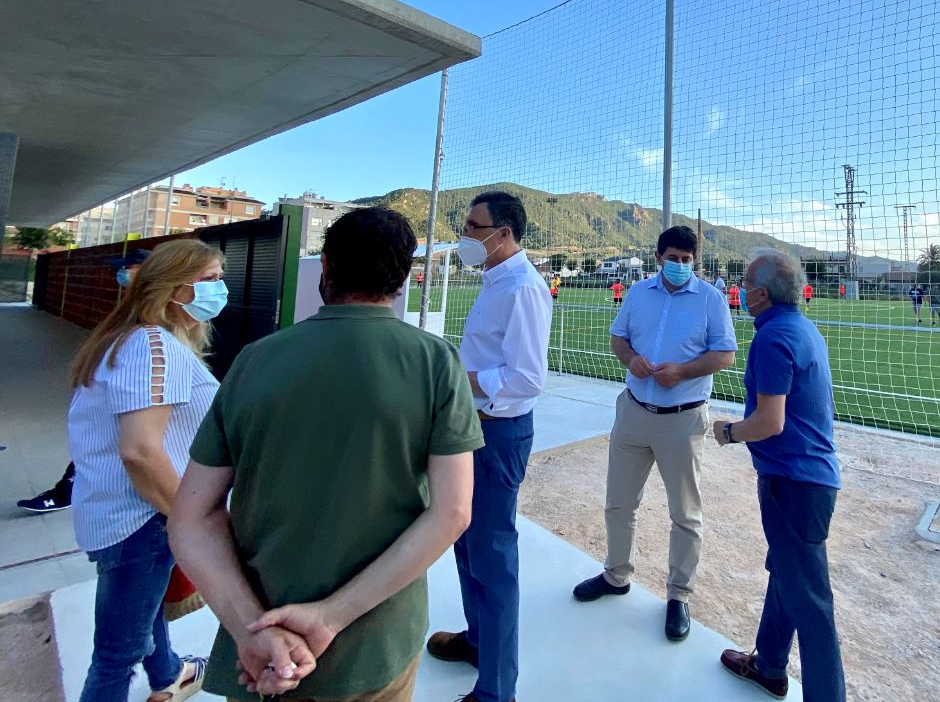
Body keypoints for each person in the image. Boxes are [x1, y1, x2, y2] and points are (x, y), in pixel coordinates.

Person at [171, 207, 483, 702]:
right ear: (403, 279)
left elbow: (191, 517)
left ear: (328, 269)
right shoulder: (435, 362)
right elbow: (454, 512)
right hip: (375, 647)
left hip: (261, 657)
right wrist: (329, 618)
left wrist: (252, 630)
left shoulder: (254, 360)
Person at [67, 239, 226, 702]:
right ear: (177, 290)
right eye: (212, 279)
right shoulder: (153, 347)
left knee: (144, 611)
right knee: (116, 655)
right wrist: (188, 519)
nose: (222, 289)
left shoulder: (138, 340)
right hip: (143, 521)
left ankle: (168, 675)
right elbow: (140, 451)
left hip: (128, 516)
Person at [573, 225, 736, 642]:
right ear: (658, 256)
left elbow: (726, 354)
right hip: (633, 411)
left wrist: (682, 371)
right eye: (673, 257)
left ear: (694, 260)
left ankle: (679, 594)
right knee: (619, 502)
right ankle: (616, 574)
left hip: (682, 419)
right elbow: (618, 337)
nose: (680, 264)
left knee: (685, 513)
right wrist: (631, 359)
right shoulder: (638, 294)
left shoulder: (711, 299)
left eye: (687, 258)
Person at [427, 191, 552, 702]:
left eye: (474, 228)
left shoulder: (522, 287)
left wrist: (459, 380)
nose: (465, 236)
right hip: (472, 428)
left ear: (503, 234)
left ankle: (497, 690)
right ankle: (479, 638)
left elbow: (525, 378)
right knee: (464, 538)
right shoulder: (496, 279)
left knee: (494, 555)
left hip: (497, 435)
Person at [713, 250, 845, 702]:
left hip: (794, 483)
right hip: (808, 478)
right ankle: (769, 665)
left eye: (745, 281)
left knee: (811, 602)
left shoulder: (773, 339)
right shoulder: (802, 328)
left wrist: (728, 432)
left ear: (761, 293)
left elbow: (770, 422)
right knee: (785, 570)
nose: (740, 288)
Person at [17, 249, 152, 515]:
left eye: (130, 268)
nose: (122, 274)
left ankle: (67, 492)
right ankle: (68, 490)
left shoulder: (150, 314)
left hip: (129, 394)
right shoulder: (130, 306)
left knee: (108, 445)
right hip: (112, 392)